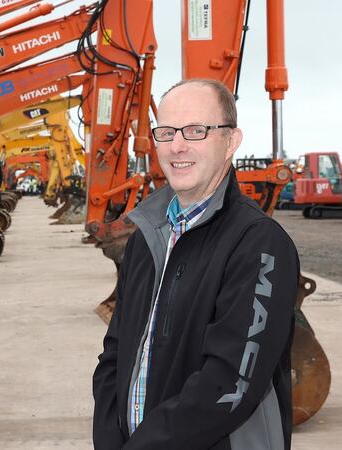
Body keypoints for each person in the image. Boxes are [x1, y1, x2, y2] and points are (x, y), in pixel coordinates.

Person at [92, 79, 299, 450]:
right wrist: (109, 438)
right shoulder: (145, 238)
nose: (177, 146)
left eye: (196, 130)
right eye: (166, 132)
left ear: (231, 142)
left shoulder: (259, 243)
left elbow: (229, 385)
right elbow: (115, 354)